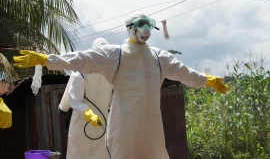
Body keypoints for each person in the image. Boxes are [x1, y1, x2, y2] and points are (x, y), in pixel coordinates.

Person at [13, 11, 228, 159]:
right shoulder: (115, 55)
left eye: (147, 25)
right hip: (123, 128)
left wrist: (207, 80)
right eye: (139, 25)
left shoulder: (159, 57)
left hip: (152, 127)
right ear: (130, 29)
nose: (145, 29)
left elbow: (184, 72)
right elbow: (82, 59)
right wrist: (46, 59)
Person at [62, 38, 113, 159]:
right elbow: (74, 100)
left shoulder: (111, 77)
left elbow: (115, 100)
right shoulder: (80, 74)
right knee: (78, 156)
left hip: (102, 127)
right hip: (81, 126)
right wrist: (89, 115)